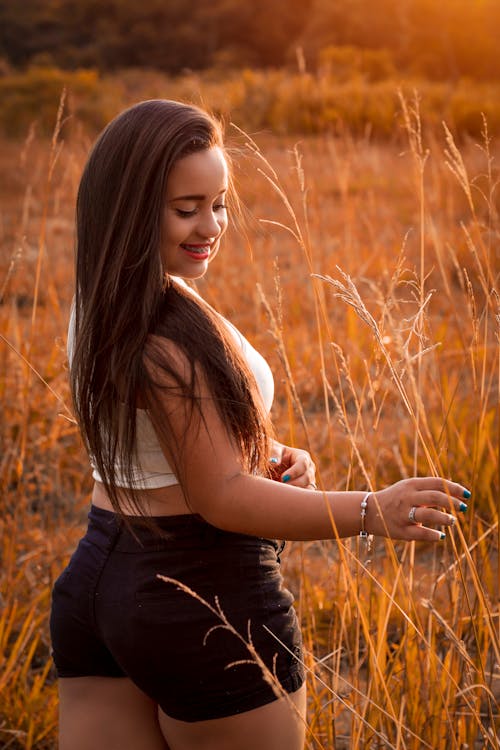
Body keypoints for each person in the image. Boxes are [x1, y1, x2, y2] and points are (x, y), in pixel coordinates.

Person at [50, 99, 469, 750]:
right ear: (130, 208)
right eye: (186, 208)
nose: (210, 225)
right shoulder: (165, 337)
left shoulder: (103, 301)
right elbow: (219, 496)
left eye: (218, 203)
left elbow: (159, 444)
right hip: (200, 594)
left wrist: (263, 449)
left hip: (96, 581)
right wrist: (369, 510)